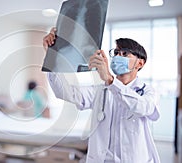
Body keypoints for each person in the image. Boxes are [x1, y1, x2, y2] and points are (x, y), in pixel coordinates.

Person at [43, 28, 160, 163]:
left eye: (125, 53)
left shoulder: (149, 92)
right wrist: (51, 55)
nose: (118, 56)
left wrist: (110, 80)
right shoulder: (101, 91)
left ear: (140, 63)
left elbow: (142, 108)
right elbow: (64, 92)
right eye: (116, 53)